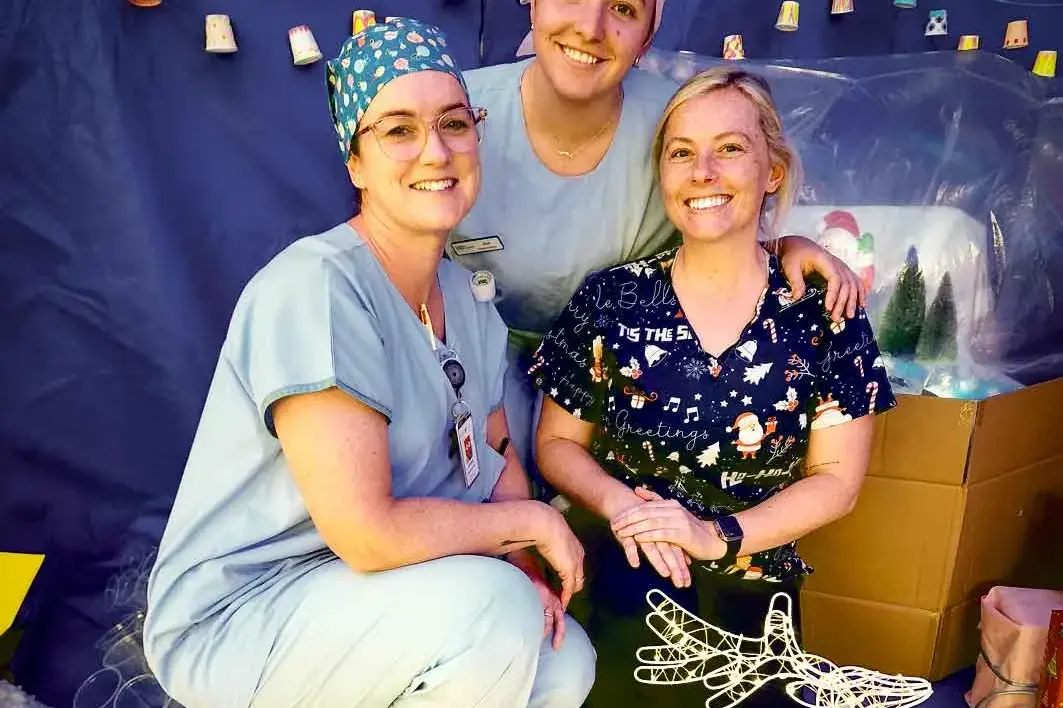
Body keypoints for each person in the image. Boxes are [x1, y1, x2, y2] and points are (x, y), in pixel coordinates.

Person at [142, 19, 595, 708]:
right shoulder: (316, 287)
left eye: (452, 123)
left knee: (562, 661)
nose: (434, 151)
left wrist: (522, 560)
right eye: (398, 131)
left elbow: (498, 452)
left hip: (389, 593)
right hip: (247, 614)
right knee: (491, 614)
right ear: (355, 163)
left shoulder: (465, 296)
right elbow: (366, 533)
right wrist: (531, 525)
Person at [528, 66, 898, 707]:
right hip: (629, 570)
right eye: (681, 153)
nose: (703, 171)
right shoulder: (612, 299)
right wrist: (629, 511)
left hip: (755, 591)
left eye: (730, 148)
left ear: (772, 172)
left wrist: (715, 534)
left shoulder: (822, 310)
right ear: (663, 174)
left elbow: (837, 481)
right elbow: (557, 445)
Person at [448, 0, 867, 491]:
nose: (590, 27)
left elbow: (718, 209)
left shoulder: (673, 119)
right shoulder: (456, 115)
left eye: (623, 8)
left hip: (610, 387)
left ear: (649, 34)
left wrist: (780, 247)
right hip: (471, 371)